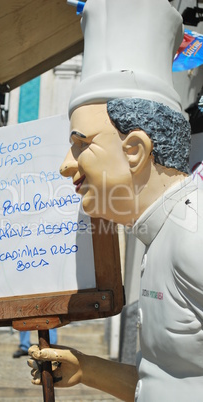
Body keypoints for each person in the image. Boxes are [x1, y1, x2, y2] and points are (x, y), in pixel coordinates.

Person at [27, 1, 203, 401]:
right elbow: (165, 383)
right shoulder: (159, 236)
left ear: (135, 150)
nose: (65, 166)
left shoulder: (195, 236)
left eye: (80, 145)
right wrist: (89, 368)